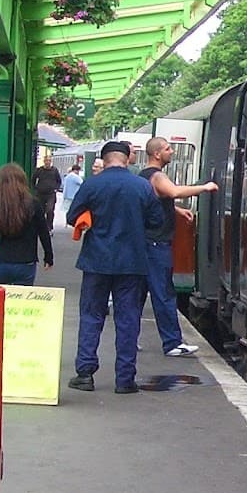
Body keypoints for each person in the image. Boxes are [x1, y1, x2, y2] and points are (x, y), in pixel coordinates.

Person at [64, 140, 162, 394]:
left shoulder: (92, 184)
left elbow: (72, 216)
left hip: (96, 261)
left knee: (91, 316)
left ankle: (85, 373)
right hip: (132, 263)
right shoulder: (141, 186)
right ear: (128, 158)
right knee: (128, 319)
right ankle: (125, 379)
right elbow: (156, 220)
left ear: (103, 158)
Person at [139, 136, 218, 357]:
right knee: (164, 293)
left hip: (146, 242)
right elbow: (173, 192)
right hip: (157, 244)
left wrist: (176, 211)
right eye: (167, 148)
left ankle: (129, 337)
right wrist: (204, 187)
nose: (172, 151)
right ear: (156, 154)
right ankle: (172, 343)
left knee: (137, 295)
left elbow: (157, 201)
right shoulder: (157, 176)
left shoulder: (143, 177)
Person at [0, 163, 53, 285]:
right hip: (26, 261)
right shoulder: (33, 204)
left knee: (0, 302)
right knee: (21, 302)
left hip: (2, 261)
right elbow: (43, 233)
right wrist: (48, 257)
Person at [33, 156, 62, 230]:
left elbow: (59, 181)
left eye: (49, 161)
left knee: (50, 210)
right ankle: (40, 226)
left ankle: (49, 227)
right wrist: (36, 188)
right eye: (46, 161)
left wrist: (56, 188)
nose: (48, 162)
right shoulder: (39, 170)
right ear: (44, 161)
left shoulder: (54, 170)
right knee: (40, 211)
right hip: (40, 194)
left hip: (51, 194)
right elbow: (33, 179)